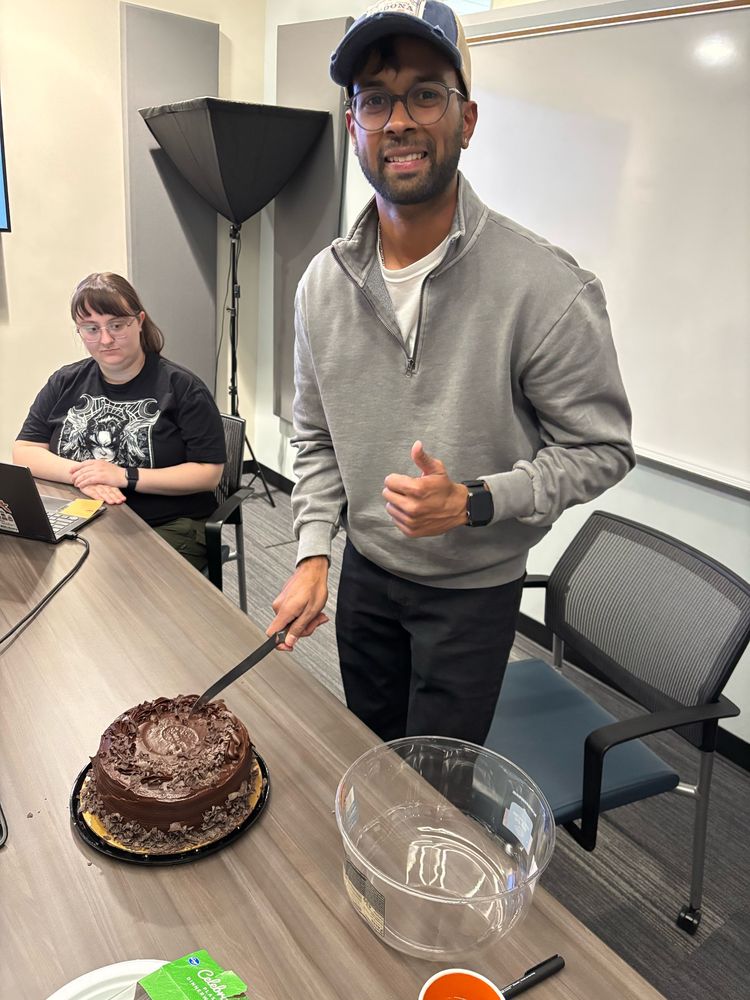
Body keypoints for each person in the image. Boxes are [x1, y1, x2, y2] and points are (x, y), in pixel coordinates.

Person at [268, 1, 635, 745]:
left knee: (437, 792)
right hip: (367, 574)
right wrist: (312, 551)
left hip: (472, 594)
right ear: (354, 128)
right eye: (374, 99)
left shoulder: (546, 286)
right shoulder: (321, 284)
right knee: (368, 757)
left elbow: (603, 450)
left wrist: (474, 502)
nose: (397, 120)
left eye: (425, 94)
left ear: (466, 120)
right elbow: (314, 436)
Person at [13, 272, 226, 570]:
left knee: (117, 590)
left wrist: (125, 476)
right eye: (91, 328)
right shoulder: (65, 381)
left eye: (117, 325)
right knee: (22, 568)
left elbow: (208, 473)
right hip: (85, 512)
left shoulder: (182, 387)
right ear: (80, 331)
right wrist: (84, 475)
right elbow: (25, 449)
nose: (106, 339)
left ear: (139, 321)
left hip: (165, 522)